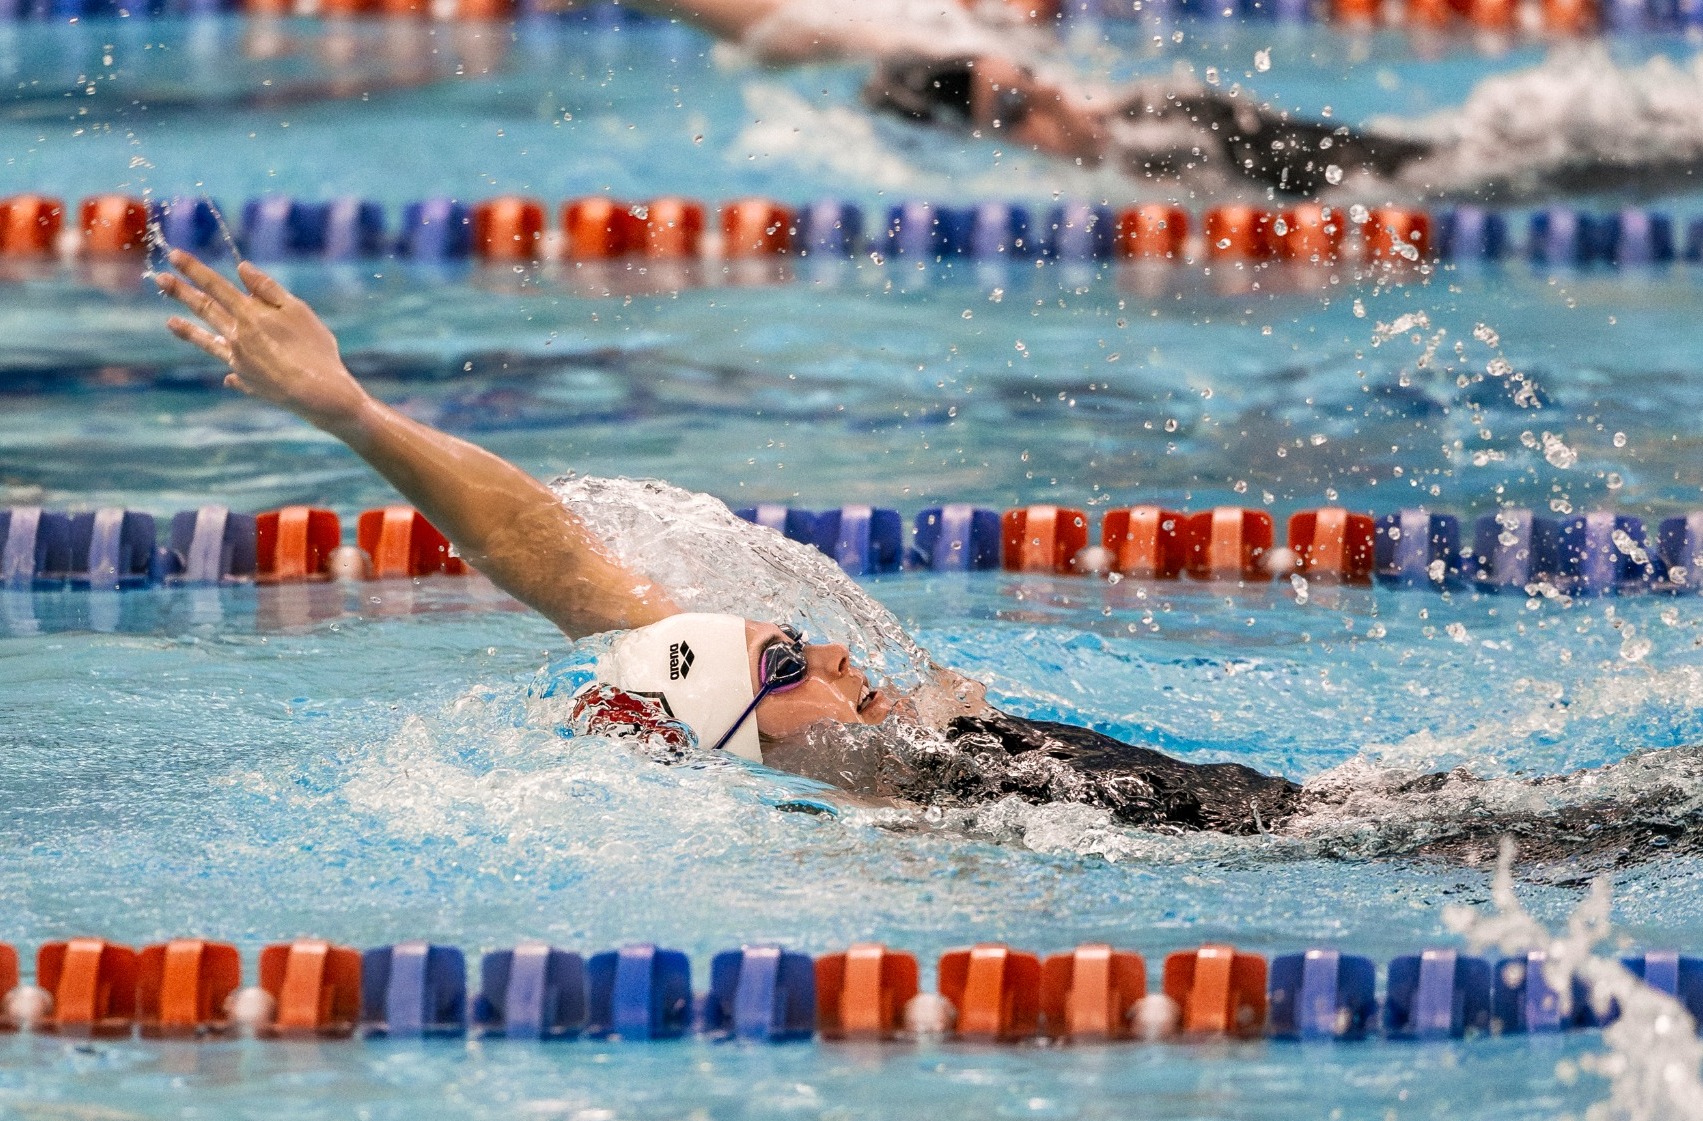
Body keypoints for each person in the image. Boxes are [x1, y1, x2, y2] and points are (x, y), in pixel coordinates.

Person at [155, 249, 1701, 870]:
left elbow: (580, 576)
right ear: (748, 737)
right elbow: (546, 566)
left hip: (1309, 811)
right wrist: (352, 415)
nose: (819, 650)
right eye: (783, 669)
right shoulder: (910, 811)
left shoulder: (910, 749)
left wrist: (355, 408)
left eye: (783, 643)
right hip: (1311, 849)